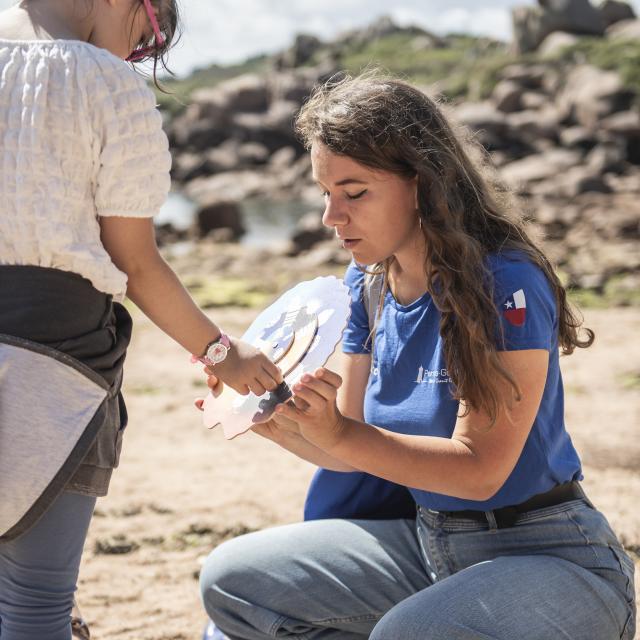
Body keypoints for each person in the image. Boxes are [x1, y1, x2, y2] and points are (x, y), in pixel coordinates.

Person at [198, 72, 636, 640]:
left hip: (551, 557)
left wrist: (340, 435)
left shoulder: (504, 282)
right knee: (230, 579)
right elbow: (350, 447)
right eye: (326, 194)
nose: (333, 217)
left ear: (424, 183)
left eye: (355, 193)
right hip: (428, 549)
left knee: (408, 633)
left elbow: (480, 471)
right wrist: (267, 413)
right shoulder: (368, 287)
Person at [0, 1, 283, 638]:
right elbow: (137, 264)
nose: (137, 53)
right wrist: (222, 354)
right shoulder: (104, 85)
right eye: (149, 34)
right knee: (34, 609)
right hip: (57, 369)